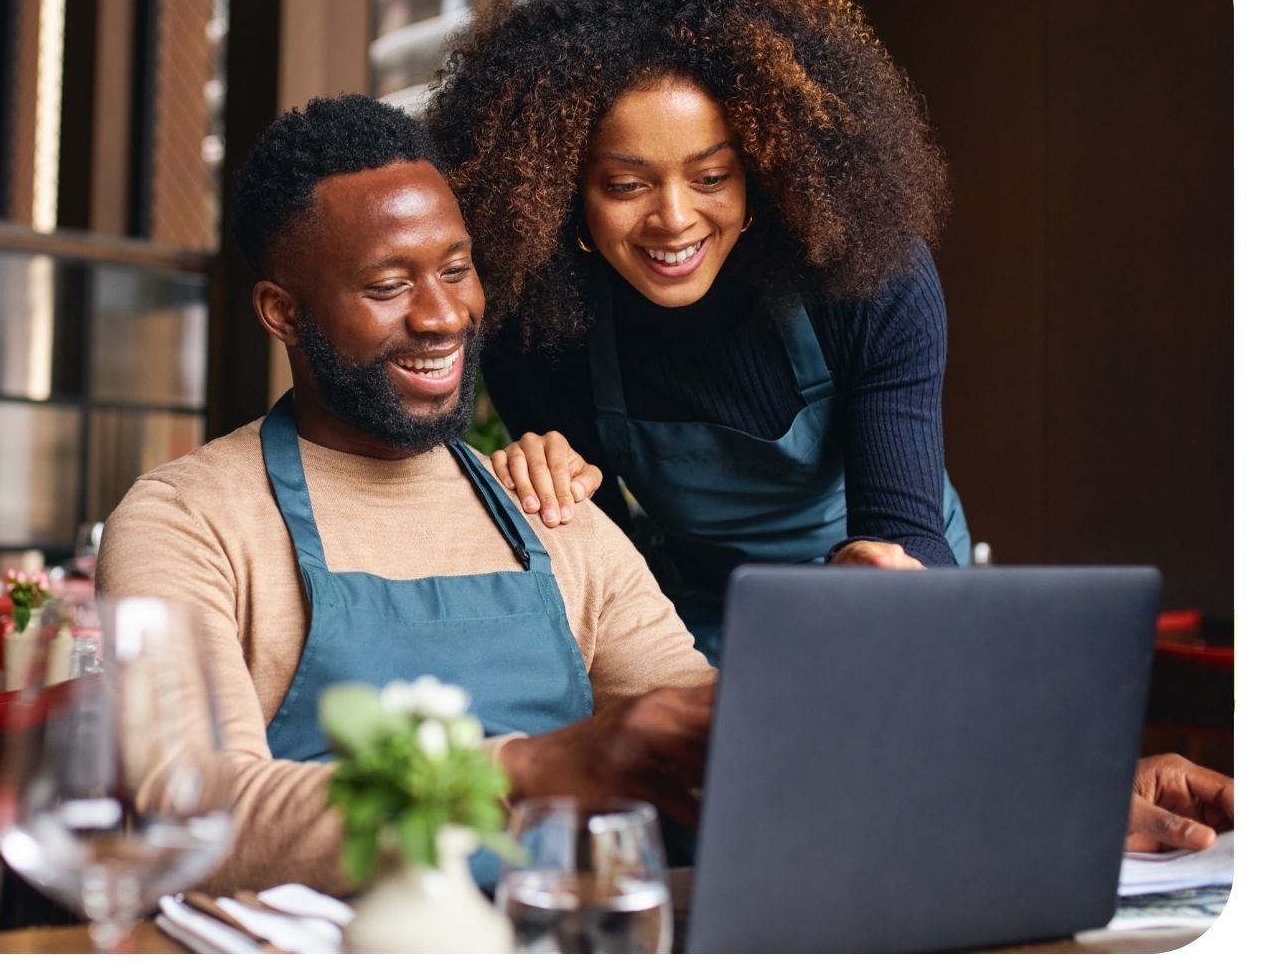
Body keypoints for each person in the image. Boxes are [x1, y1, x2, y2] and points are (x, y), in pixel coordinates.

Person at [96, 95, 1231, 896]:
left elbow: (747, 748)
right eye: (389, 286)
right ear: (281, 312)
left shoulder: (547, 508)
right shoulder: (188, 518)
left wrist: (1051, 790)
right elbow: (193, 809)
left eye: (455, 270)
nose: (443, 318)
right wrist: (540, 768)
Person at [426, 0, 971, 661]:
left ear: (763, 170)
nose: (675, 220)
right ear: (562, 195)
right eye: (626, 186)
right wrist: (548, 491)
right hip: (700, 618)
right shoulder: (538, 325)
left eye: (712, 176)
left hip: (887, 597)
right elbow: (609, 569)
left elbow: (907, 527)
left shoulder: (866, 277)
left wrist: (884, 573)